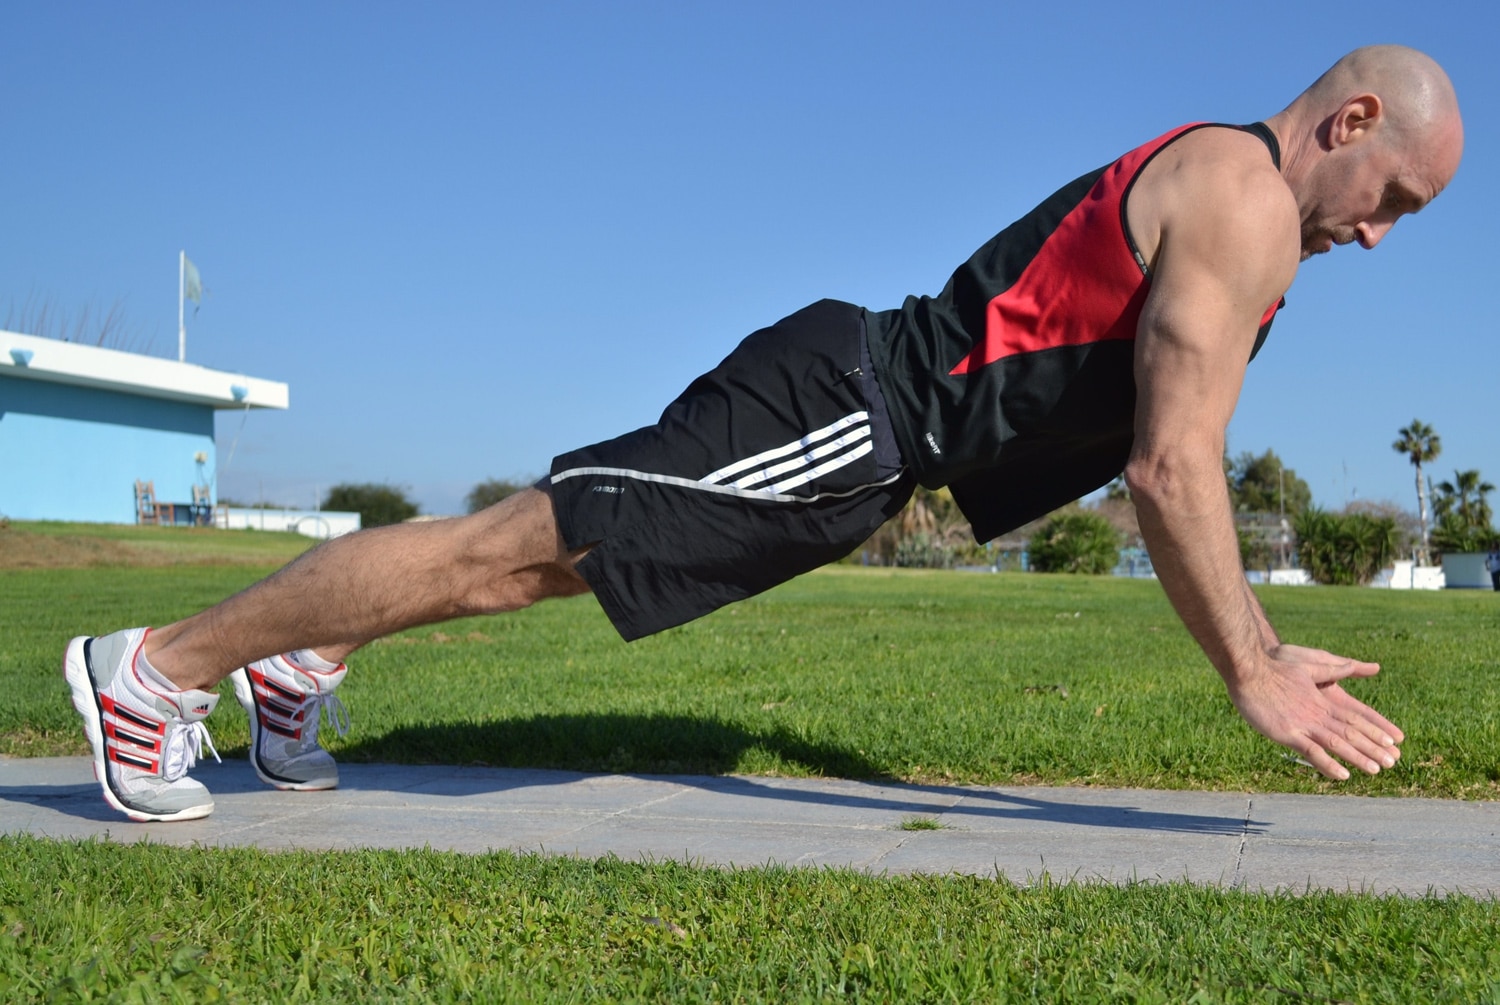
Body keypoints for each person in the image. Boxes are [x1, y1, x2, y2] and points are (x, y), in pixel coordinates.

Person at [64, 45, 1463, 822]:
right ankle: (155, 668)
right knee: (517, 544)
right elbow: (1171, 458)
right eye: (1392, 194)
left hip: (857, 444)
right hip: (841, 414)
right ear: (1348, 117)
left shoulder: (1245, 204)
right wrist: (1253, 663)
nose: (1382, 235)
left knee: (538, 568)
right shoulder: (1246, 199)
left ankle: (300, 659)